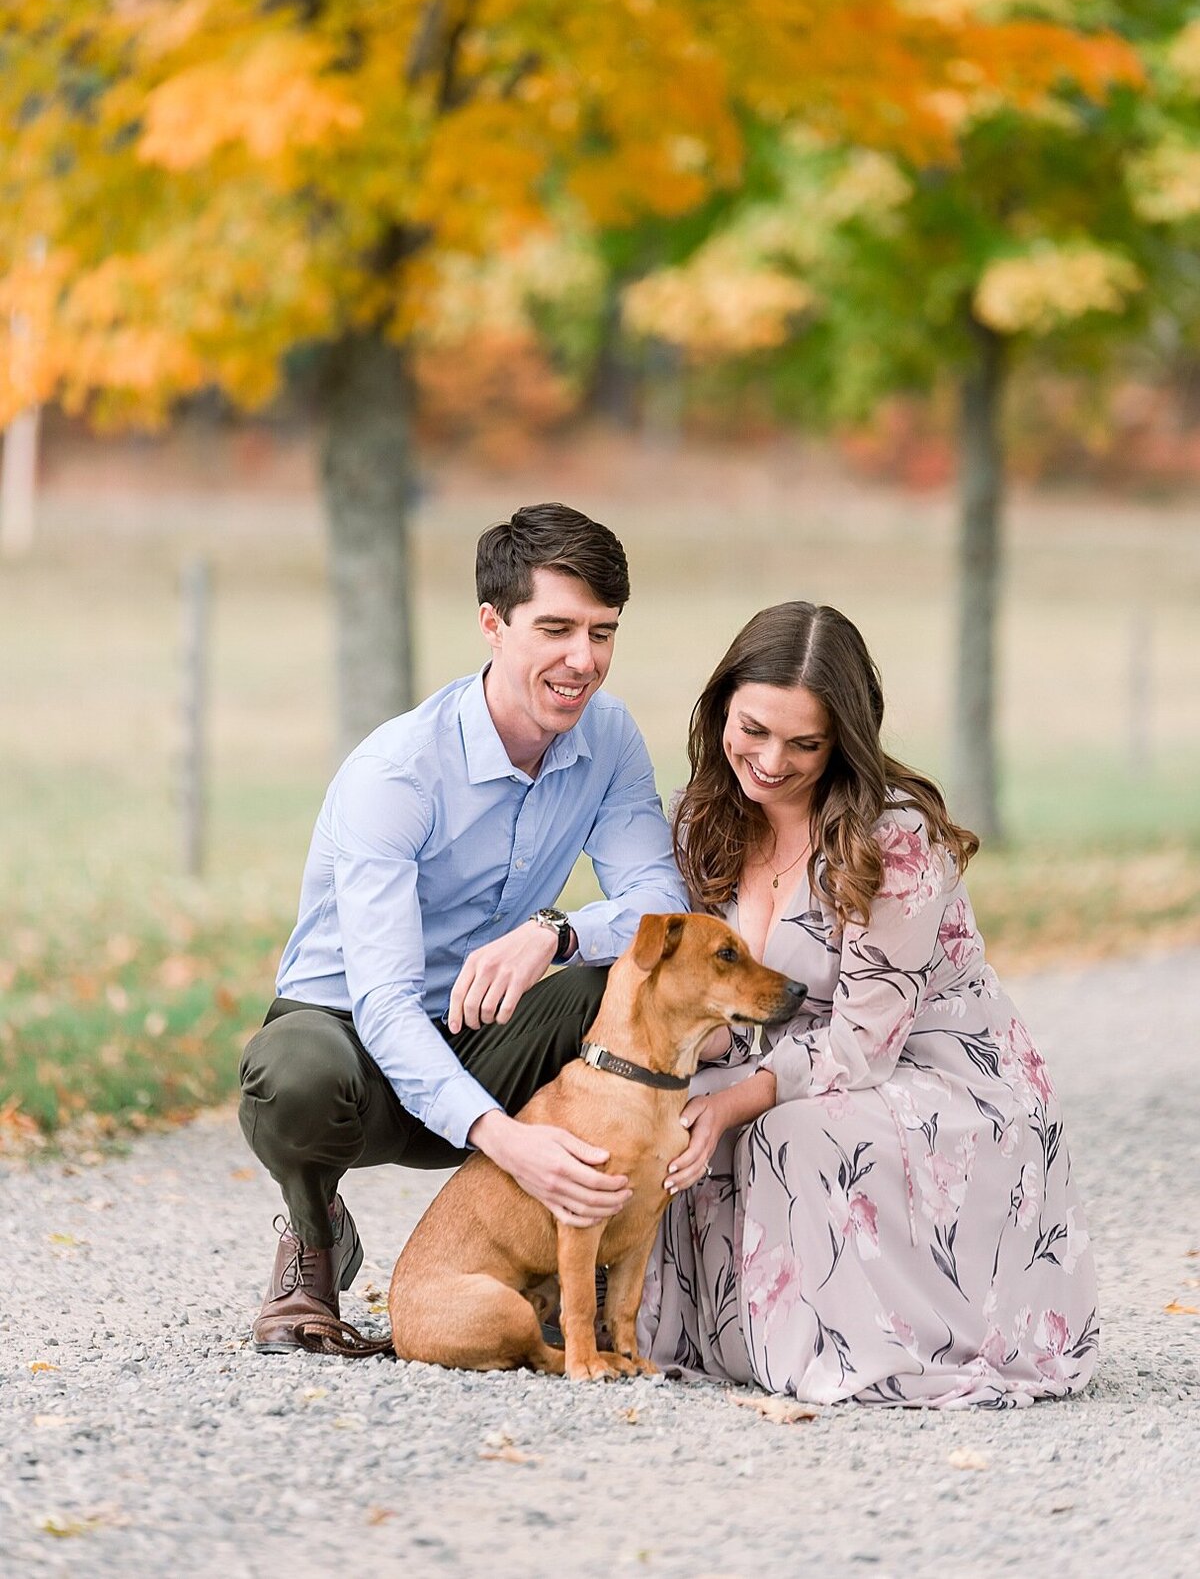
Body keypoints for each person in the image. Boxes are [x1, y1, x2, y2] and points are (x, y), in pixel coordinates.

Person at [240, 502, 688, 1351]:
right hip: (351, 1040)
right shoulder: (397, 772)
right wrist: (510, 1142)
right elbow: (383, 1001)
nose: (583, 660)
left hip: (480, 1025)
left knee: (622, 985)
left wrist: (556, 932)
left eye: (602, 632)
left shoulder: (609, 737)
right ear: (492, 623)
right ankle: (312, 1230)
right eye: (555, 629)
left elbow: (661, 909)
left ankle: (578, 1243)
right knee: (294, 1072)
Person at [638, 602, 1098, 1407]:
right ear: (720, 710)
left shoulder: (891, 839)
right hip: (783, 1061)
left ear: (842, 740)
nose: (770, 760)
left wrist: (734, 1099)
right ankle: (663, 1325)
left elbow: (863, 1042)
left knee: (786, 1127)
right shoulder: (703, 817)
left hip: (931, 1072)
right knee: (657, 1111)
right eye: (753, 729)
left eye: (804, 744)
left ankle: (842, 1350)